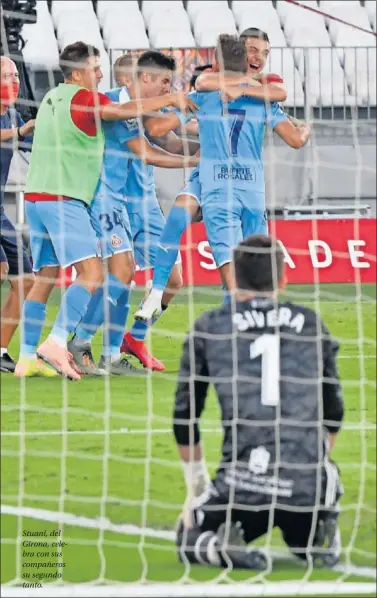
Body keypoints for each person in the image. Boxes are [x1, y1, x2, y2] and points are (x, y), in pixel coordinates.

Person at [14, 41, 196, 381]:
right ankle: (74, 343)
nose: (101, 74)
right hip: (85, 198)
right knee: (101, 274)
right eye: (96, 68)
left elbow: (160, 134)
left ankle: (31, 356)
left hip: (49, 195)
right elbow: (143, 134)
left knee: (54, 277)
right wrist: (177, 106)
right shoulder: (94, 100)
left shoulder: (55, 97)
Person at [174, 234, 344, 571]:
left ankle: (215, 547)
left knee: (187, 536)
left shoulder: (210, 326)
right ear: (283, 278)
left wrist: (196, 489)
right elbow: (334, 413)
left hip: (243, 486)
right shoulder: (311, 324)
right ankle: (314, 533)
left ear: (233, 277)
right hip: (306, 489)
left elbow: (184, 416)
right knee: (314, 493)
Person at [135, 32, 310, 320]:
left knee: (232, 270)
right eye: (252, 50)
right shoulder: (261, 98)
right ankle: (158, 296)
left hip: (218, 185)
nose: (258, 57)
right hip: (248, 188)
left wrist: (153, 107)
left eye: (263, 53)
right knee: (244, 263)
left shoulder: (212, 94)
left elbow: (158, 130)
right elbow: (294, 138)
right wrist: (305, 128)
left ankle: (235, 330)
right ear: (243, 56)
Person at [68, 50, 199, 375]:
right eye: (166, 82)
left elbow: (166, 140)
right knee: (120, 275)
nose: (169, 88)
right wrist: (194, 160)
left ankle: (131, 340)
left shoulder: (150, 105)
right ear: (138, 79)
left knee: (173, 279)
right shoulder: (111, 104)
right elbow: (150, 146)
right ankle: (81, 341)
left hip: (146, 205)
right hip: (112, 202)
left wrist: (208, 148)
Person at [0, 56, 42, 374]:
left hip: (1, 212)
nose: (13, 81)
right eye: (6, 75)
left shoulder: (12, 114)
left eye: (15, 75)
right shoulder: (14, 122)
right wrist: (21, 129)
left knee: (25, 280)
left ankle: (1, 350)